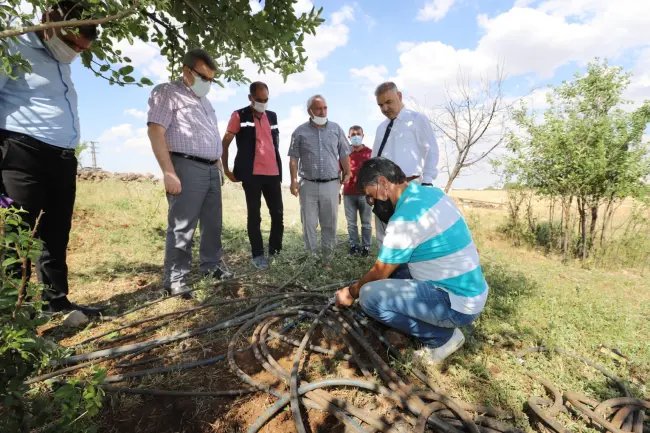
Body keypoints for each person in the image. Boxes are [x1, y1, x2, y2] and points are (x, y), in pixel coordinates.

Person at [0, 1, 102, 315]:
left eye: (83, 49)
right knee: (19, 236)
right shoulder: (11, 46)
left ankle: (55, 302)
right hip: (21, 153)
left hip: (62, 158)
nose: (76, 52)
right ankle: (13, 313)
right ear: (50, 23)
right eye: (72, 43)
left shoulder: (60, 58)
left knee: (56, 233)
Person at [335, 157, 488, 364]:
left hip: (456, 304)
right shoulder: (433, 194)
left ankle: (441, 338)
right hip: (473, 294)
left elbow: (380, 272)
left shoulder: (405, 218)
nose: (373, 204)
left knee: (369, 296)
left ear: (383, 183)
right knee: (395, 272)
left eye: (371, 197)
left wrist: (351, 292)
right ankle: (445, 319)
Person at [147, 48, 232, 299]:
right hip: (185, 167)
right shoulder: (166, 92)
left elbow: (210, 135)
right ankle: (175, 279)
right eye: (204, 77)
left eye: (211, 80)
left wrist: (218, 164)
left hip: (210, 168)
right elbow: (156, 131)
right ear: (187, 71)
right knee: (182, 226)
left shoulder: (206, 102)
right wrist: (168, 172)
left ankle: (211, 267)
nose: (208, 84)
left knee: (212, 224)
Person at [221, 82, 283, 270]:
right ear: (250, 98)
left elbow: (274, 143)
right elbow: (225, 142)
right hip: (251, 175)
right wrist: (226, 169)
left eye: (266, 100)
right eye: (259, 100)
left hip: (273, 173)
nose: (263, 103)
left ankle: (275, 251)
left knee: (278, 214)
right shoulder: (239, 115)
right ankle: (257, 255)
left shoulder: (272, 116)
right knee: (254, 216)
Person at [372, 82, 439, 244]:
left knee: (410, 237)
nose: (385, 108)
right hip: (384, 192)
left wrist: (427, 183)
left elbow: (432, 150)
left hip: (410, 188)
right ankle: (387, 268)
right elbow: (374, 159)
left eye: (388, 102)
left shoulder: (417, 120)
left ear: (399, 96)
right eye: (380, 105)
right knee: (385, 238)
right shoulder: (381, 128)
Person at [288, 95, 352, 265]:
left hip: (331, 184)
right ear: (310, 110)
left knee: (329, 224)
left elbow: (344, 153)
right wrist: (293, 180)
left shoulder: (336, 129)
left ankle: (327, 260)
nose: (322, 112)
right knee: (309, 224)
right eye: (318, 108)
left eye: (324, 108)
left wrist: (348, 171)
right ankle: (312, 259)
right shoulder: (299, 131)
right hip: (307, 184)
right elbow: (293, 158)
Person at [341, 125, 372, 256]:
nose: (356, 137)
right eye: (353, 135)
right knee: (351, 223)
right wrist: (338, 190)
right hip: (348, 193)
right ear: (349, 137)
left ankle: (366, 247)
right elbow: (339, 172)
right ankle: (354, 246)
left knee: (366, 223)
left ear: (363, 135)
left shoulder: (370, 153)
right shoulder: (344, 153)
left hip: (365, 194)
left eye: (358, 134)